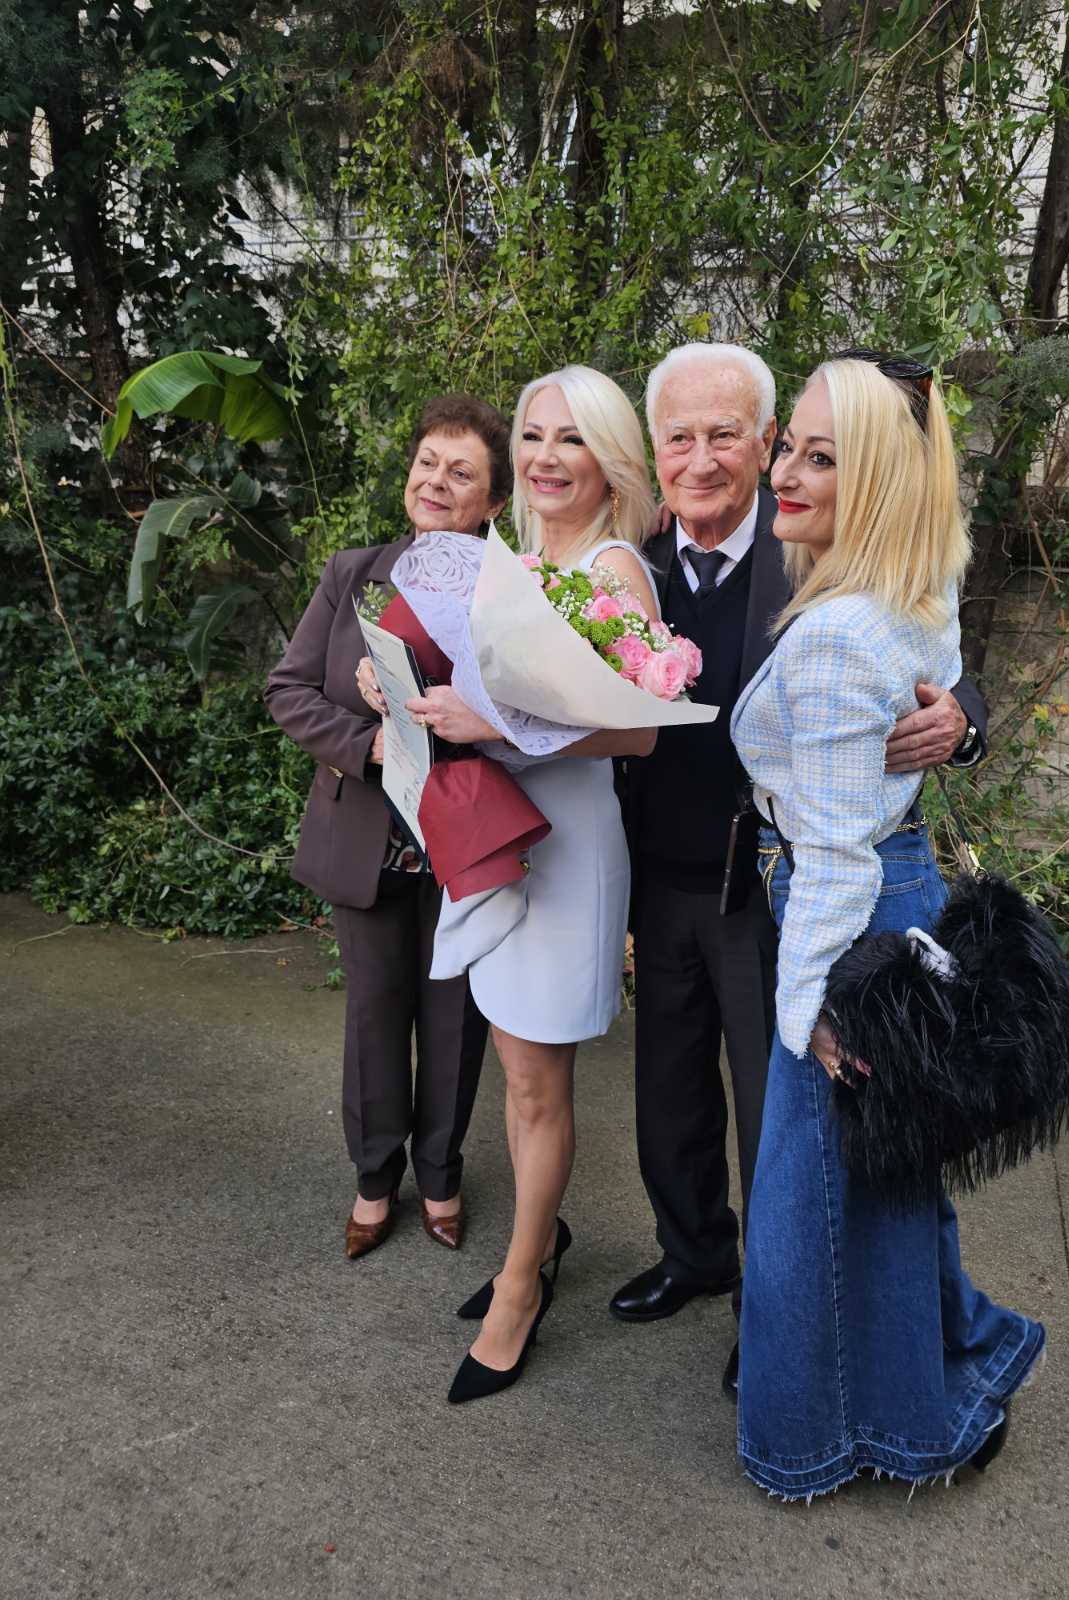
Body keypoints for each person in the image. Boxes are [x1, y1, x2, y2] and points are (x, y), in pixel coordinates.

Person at [612, 344, 988, 1382]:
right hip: (660, 866)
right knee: (668, 1091)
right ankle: (693, 1253)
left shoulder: (819, 536)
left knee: (780, 1116)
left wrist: (963, 720)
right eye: (679, 438)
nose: (701, 459)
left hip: (775, 876)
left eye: (725, 434)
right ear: (655, 449)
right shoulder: (625, 563)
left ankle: (772, 1313)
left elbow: (929, 636)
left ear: (766, 440)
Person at [730, 351, 1044, 1499]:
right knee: (886, 1173)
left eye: (822, 455)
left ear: (876, 479)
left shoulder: (839, 630)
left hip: (848, 910)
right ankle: (948, 1366)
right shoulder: (915, 581)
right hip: (883, 894)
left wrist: (803, 1002)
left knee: (813, 1196)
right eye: (790, 445)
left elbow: (832, 855)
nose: (784, 470)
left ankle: (864, 1429)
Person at [358, 365, 662, 1404]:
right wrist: (392, 681)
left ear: (609, 460)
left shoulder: (614, 568)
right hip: (499, 838)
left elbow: (639, 731)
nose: (544, 457)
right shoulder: (520, 559)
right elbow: (465, 682)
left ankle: (523, 1285)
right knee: (515, 1067)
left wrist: (491, 723)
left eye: (570, 439)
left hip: (567, 848)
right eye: (532, 435)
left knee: (538, 1083)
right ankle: (540, 1238)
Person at [264, 395, 508, 1259]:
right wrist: (368, 746)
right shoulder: (354, 573)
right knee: (373, 1015)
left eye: (462, 472)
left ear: (493, 501)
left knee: (454, 1019)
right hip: (366, 836)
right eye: (427, 463)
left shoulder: (513, 592)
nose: (436, 482)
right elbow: (288, 689)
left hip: (462, 838)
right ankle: (375, 1178)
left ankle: (440, 1174)